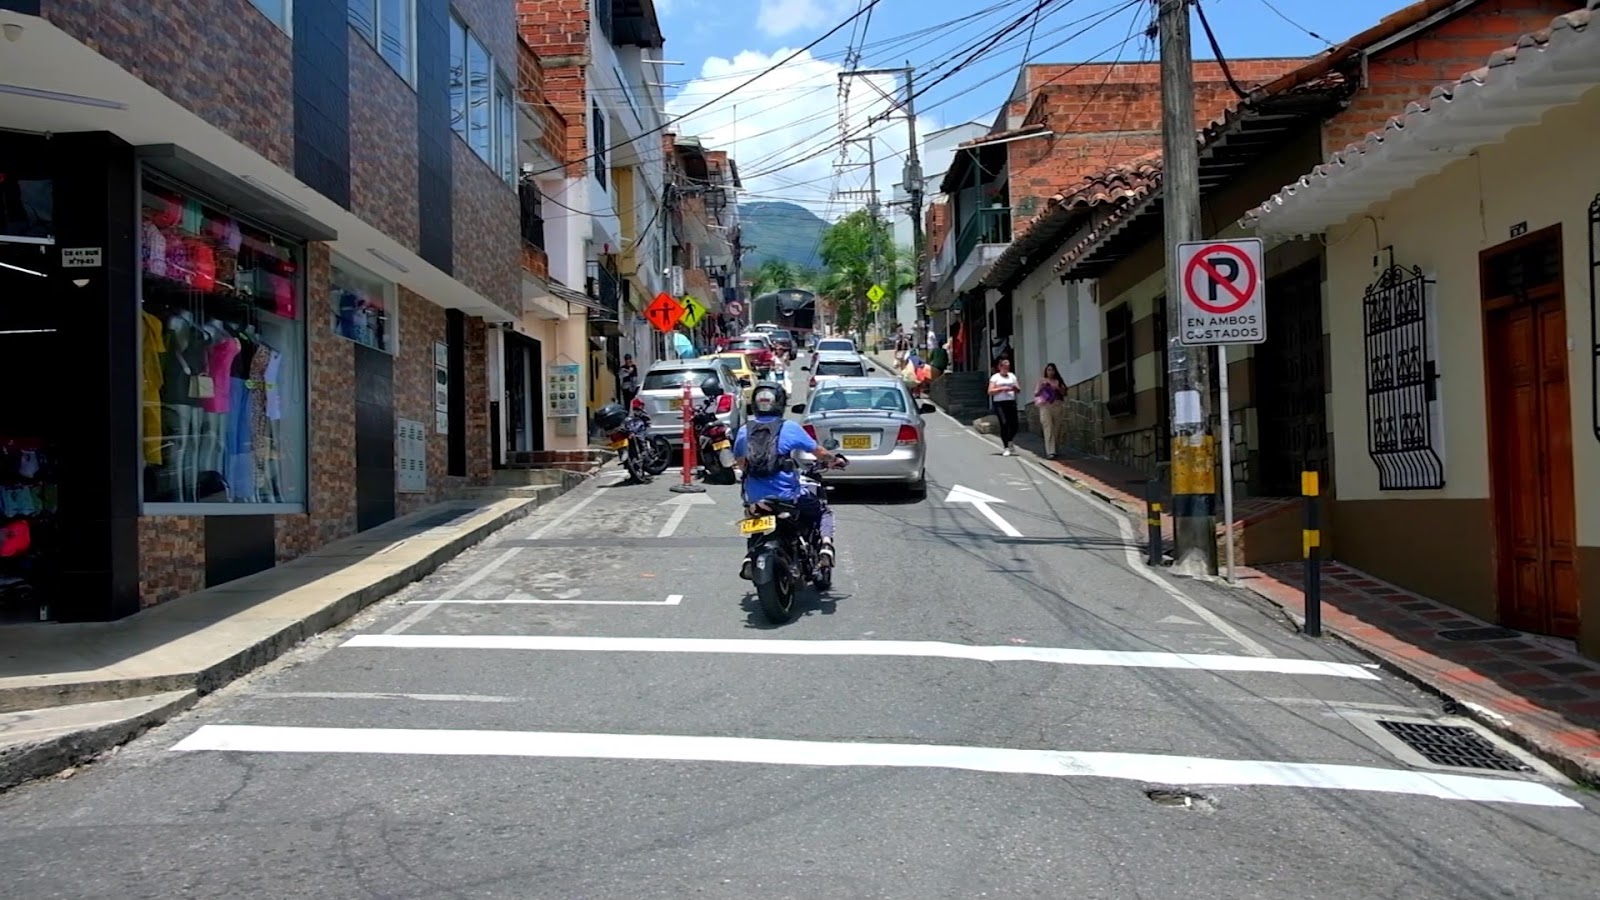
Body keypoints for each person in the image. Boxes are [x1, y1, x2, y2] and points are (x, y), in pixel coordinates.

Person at [734, 381, 840, 579]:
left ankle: (749, 556)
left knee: (755, 517)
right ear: (781, 403)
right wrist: (834, 460)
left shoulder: (743, 430)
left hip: (755, 499)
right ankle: (825, 546)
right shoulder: (789, 428)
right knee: (823, 510)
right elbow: (819, 451)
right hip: (788, 497)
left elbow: (741, 462)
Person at [988, 357, 1021, 456]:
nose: (1007, 369)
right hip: (1000, 403)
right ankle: (1006, 447)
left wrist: (1015, 388)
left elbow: (1018, 389)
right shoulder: (995, 377)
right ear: (1000, 367)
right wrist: (1002, 388)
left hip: (1010, 401)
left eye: (1008, 367)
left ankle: (1010, 440)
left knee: (1014, 424)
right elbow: (990, 391)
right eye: (1005, 367)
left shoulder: (1012, 376)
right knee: (1004, 423)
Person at [1033, 363, 1067, 459]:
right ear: (1046, 371)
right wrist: (1042, 387)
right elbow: (1036, 393)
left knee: (1057, 428)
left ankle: (1056, 448)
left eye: (1052, 370)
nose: (1050, 372)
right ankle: (1050, 451)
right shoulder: (1041, 381)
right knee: (1048, 427)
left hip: (1057, 405)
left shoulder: (1058, 381)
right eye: (1048, 370)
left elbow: (1064, 392)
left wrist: (1057, 388)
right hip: (1045, 405)